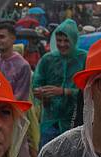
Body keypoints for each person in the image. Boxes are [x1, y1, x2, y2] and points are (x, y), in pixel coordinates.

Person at [33, 19, 86, 147]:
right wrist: (41, 94)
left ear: (74, 40)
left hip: (75, 120)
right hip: (50, 121)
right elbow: (36, 84)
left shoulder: (84, 59)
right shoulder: (48, 59)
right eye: (59, 40)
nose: (62, 44)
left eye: (66, 40)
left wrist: (64, 92)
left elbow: (88, 91)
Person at [0, 21, 35, 157]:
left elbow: (20, 97)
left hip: (13, 117)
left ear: (12, 39)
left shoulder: (22, 65)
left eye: (2, 37)